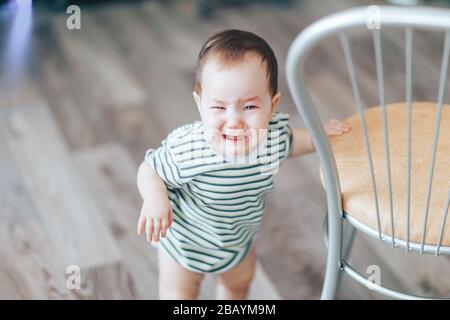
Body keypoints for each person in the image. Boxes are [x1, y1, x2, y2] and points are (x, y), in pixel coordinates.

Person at [136, 29, 351, 299]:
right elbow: (150, 169)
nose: (234, 120)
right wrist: (156, 197)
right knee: (179, 293)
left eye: (249, 107)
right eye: (218, 108)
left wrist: (319, 137)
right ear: (200, 104)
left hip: (237, 241)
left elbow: (293, 140)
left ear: (272, 106)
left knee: (239, 284)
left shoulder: (271, 137)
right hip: (184, 243)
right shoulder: (189, 148)